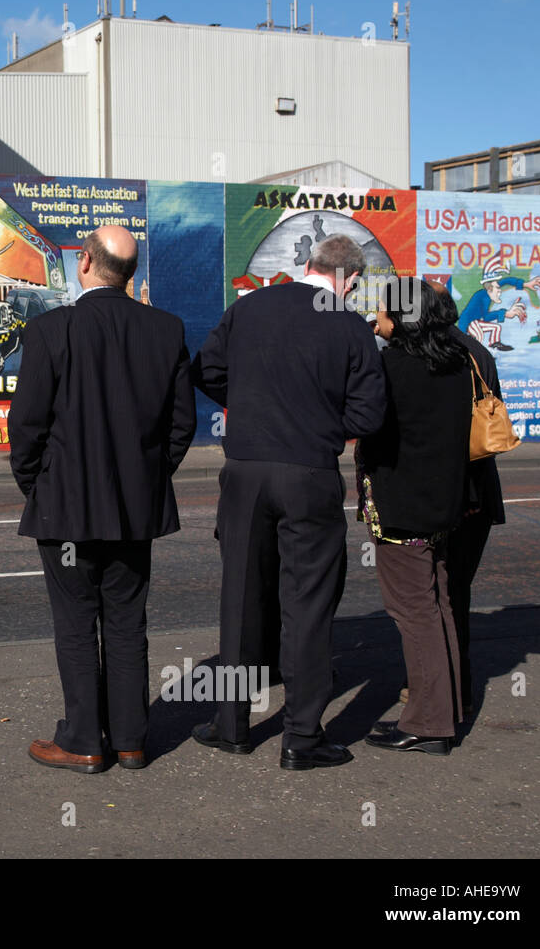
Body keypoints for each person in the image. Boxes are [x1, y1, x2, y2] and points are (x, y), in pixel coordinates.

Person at [191, 234, 385, 771]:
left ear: (308, 264)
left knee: (240, 598)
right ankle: (301, 737)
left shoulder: (251, 307)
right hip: (309, 473)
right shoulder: (350, 326)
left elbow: (204, 370)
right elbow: (369, 415)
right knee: (308, 604)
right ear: (349, 279)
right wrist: (319, 426)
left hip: (246, 469)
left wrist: (251, 408)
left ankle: (230, 727)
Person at [9, 225, 196, 773]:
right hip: (134, 511)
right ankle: (132, 741)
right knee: (126, 621)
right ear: (127, 274)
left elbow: (27, 428)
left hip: (64, 509)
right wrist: (149, 477)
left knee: (75, 623)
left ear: (85, 262)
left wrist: (39, 487)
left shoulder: (50, 329)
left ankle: (85, 741)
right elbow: (180, 424)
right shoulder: (165, 329)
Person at [360, 278, 473, 755]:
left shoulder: (393, 368)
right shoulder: (455, 363)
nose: (377, 317)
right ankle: (445, 710)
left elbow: (365, 425)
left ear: (403, 320)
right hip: (442, 507)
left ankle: (428, 723)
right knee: (438, 604)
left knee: (414, 613)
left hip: (403, 510)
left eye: (384, 311)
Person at [427, 279, 505, 717]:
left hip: (460, 493)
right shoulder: (479, 353)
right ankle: (455, 688)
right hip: (475, 493)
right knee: (455, 591)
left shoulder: (443, 355)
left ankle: (449, 691)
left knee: (444, 594)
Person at [455, 257, 540, 351]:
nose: (499, 291)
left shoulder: (490, 291)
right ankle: (479, 354)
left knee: (496, 327)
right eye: (497, 288)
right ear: (490, 289)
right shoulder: (482, 297)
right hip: (468, 324)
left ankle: (495, 343)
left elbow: (506, 281)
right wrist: (505, 313)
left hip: (476, 322)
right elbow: (486, 317)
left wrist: (525, 284)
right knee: (479, 335)